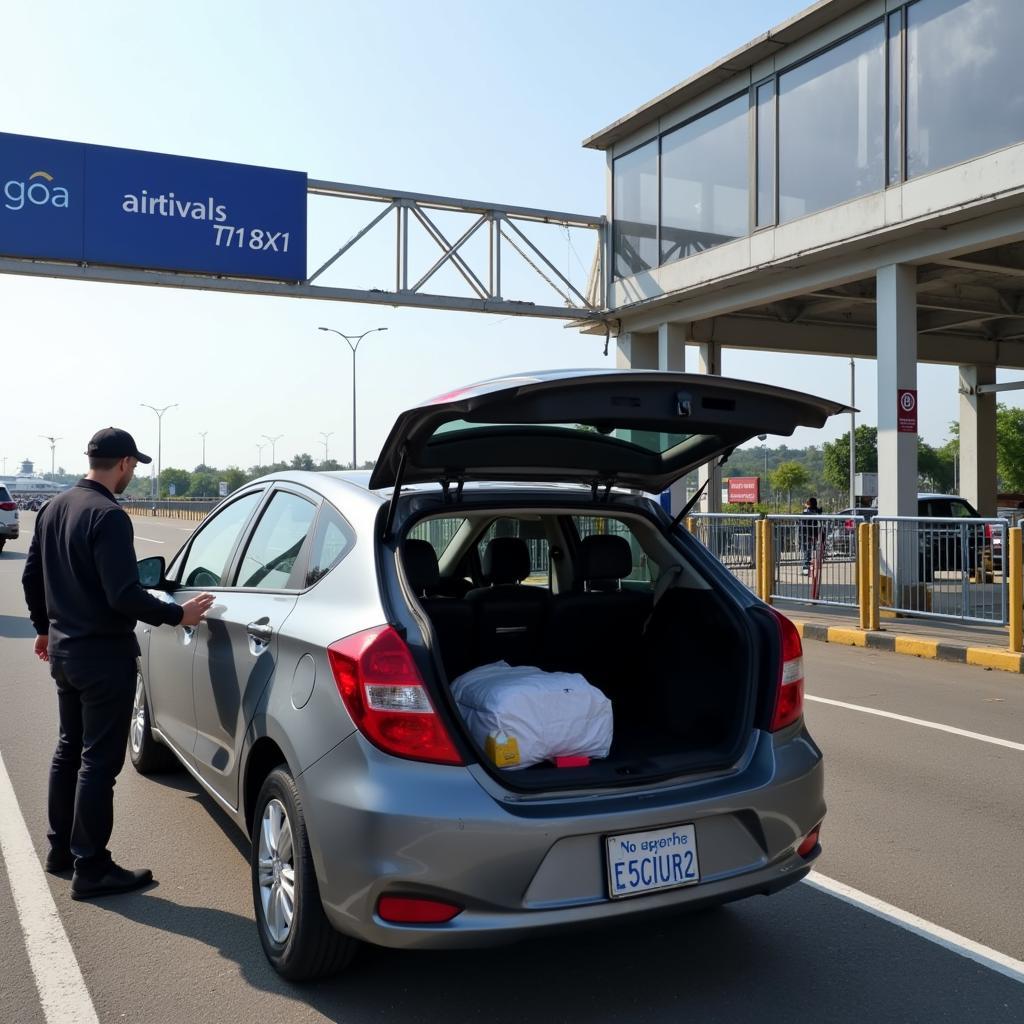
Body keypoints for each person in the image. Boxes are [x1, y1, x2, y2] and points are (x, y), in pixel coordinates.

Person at [22, 428, 214, 900]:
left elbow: (32, 576)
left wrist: (44, 627)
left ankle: (60, 851)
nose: (133, 474)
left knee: (69, 751)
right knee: (98, 763)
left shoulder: (55, 507)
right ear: (125, 463)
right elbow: (123, 595)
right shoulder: (108, 516)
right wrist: (178, 614)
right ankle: (92, 866)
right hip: (104, 657)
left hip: (66, 653)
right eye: (134, 466)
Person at [800, 496, 822, 575]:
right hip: (813, 533)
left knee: (806, 551)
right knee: (808, 551)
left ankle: (806, 569)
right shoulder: (815, 511)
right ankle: (807, 567)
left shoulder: (807, 511)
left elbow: (803, 518)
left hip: (806, 533)